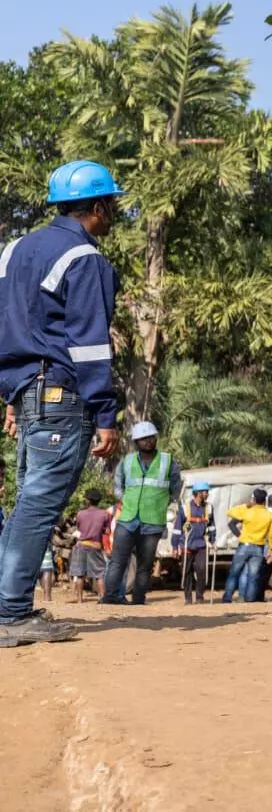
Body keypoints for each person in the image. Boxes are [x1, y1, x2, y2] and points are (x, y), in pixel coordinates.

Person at [0, 161, 124, 648]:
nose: (111, 215)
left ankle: (8, 605)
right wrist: (105, 413)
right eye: (110, 207)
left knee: (27, 502)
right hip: (61, 395)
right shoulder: (84, 259)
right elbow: (91, 344)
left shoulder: (13, 251)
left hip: (27, 392)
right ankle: (11, 612)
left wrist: (10, 392)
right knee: (37, 504)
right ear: (97, 208)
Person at [101, 420, 183, 606]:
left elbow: (175, 488)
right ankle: (110, 597)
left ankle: (138, 599)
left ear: (156, 438)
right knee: (117, 561)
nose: (148, 441)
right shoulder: (127, 461)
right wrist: (126, 500)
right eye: (143, 439)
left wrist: (162, 502)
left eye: (151, 437)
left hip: (153, 521)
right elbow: (118, 487)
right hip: (128, 518)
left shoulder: (168, 461)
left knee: (145, 566)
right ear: (136, 442)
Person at [222, 488, 272, 604]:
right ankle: (250, 600)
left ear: (254, 499)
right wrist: (271, 549)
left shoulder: (247, 511)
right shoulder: (269, 516)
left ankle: (227, 598)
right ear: (264, 501)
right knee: (252, 576)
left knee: (234, 573)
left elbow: (230, 511)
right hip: (259, 548)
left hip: (244, 546)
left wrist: (246, 505)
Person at [173, 481, 215, 605]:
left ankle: (200, 596)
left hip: (201, 544)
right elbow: (176, 528)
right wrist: (175, 546)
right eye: (205, 492)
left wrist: (213, 540)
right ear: (198, 493)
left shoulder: (209, 508)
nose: (207, 494)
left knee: (202, 569)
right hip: (187, 544)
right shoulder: (185, 508)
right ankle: (188, 598)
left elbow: (212, 526)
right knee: (186, 571)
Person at [69, 489, 113, 603]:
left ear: (88, 501)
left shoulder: (80, 514)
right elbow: (107, 531)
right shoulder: (105, 514)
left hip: (82, 545)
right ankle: (103, 598)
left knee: (80, 574)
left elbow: (79, 529)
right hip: (96, 546)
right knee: (99, 574)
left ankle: (79, 600)